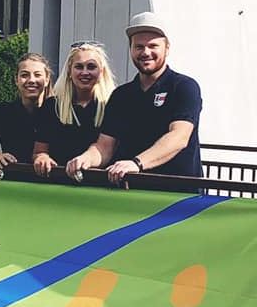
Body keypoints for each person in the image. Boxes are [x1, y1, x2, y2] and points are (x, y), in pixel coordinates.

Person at [66, 11, 202, 183]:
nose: (146, 52)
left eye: (153, 46)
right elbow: (105, 146)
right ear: (130, 49)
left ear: (167, 48)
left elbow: (179, 137)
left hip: (178, 193)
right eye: (139, 46)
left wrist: (137, 163)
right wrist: (85, 159)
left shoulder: (184, 87)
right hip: (130, 191)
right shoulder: (121, 95)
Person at [33, 42, 116, 178]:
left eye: (91, 67)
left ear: (101, 72)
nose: (85, 72)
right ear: (69, 71)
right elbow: (39, 151)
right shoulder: (52, 106)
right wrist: (42, 158)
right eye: (79, 67)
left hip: (101, 183)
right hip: (59, 182)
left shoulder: (114, 105)